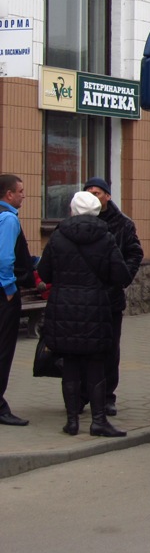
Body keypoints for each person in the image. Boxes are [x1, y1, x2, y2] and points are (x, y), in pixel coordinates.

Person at [38, 191, 132, 437]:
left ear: (72, 210)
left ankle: (71, 422)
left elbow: (44, 273)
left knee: (69, 363)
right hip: (96, 306)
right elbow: (121, 276)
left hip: (63, 307)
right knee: (95, 364)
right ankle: (98, 421)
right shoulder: (106, 237)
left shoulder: (57, 237)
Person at [83, 177, 143, 417]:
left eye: (97, 192)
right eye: (88, 192)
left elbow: (135, 252)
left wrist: (122, 278)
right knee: (80, 350)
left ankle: (107, 396)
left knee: (109, 348)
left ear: (107, 196)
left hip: (110, 298)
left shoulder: (122, 224)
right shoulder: (77, 222)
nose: (92, 196)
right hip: (83, 298)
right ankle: (80, 396)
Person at [0, 174, 30, 426]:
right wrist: (9, 287)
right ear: (9, 194)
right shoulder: (8, 218)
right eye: (20, 191)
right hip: (3, 294)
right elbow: (5, 258)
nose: (23, 195)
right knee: (3, 350)